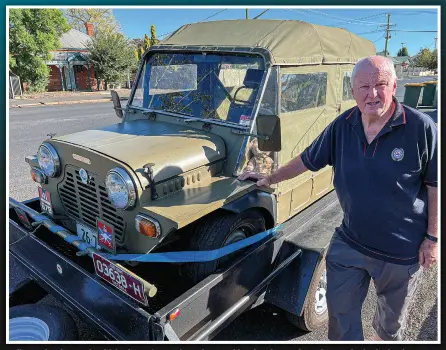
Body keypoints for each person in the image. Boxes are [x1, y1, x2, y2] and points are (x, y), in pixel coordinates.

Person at [239, 56, 438, 341]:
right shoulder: (343, 125)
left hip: (401, 252)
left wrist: (432, 239)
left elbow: (435, 184)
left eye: (380, 84)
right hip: (351, 242)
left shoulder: (421, 127)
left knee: (390, 327)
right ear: (353, 90)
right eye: (363, 86)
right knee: (341, 321)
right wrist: (269, 178)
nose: (372, 94)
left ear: (394, 85)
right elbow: (307, 160)